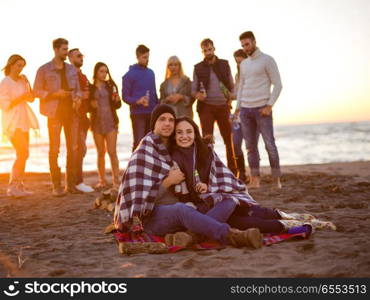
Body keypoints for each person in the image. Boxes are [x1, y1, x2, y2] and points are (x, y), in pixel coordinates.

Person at [114, 104, 263, 249]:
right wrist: (168, 182)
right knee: (181, 210)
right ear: (154, 124)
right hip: (153, 219)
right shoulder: (144, 152)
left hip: (185, 211)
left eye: (171, 120)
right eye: (162, 119)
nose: (167, 123)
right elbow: (141, 203)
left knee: (228, 200)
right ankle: (233, 236)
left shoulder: (171, 149)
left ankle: (190, 237)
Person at [171, 116, 312, 235]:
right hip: (206, 208)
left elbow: (222, 177)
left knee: (255, 212)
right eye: (179, 132)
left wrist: (208, 186)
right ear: (174, 135)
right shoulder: (174, 158)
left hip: (223, 197)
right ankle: (292, 227)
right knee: (242, 222)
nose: (184, 136)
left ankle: (293, 218)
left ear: (195, 133)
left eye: (189, 131)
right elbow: (183, 196)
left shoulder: (205, 151)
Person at [33, 38, 82, 197]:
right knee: (54, 149)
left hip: (72, 114)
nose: (66, 52)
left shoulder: (71, 69)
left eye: (67, 49)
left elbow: (78, 90)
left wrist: (77, 98)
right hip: (54, 114)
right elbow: (36, 91)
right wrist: (55, 94)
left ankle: (71, 185)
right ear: (55, 49)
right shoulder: (44, 70)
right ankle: (56, 186)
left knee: (72, 149)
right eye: (64, 49)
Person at [235, 31, 283, 189]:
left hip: (262, 109)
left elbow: (278, 84)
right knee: (250, 147)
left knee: (269, 144)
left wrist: (269, 105)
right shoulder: (244, 64)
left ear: (254, 42)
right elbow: (241, 86)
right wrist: (238, 108)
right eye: (242, 45)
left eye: (247, 44)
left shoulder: (267, 60)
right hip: (245, 110)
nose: (245, 48)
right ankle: (255, 179)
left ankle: (276, 179)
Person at [192, 38, 237, 175]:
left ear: (214, 48)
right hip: (206, 108)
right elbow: (193, 90)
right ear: (202, 51)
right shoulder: (198, 67)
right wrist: (199, 95)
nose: (208, 52)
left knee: (229, 141)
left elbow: (232, 85)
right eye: (205, 50)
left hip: (223, 106)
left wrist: (231, 97)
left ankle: (233, 172)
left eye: (209, 49)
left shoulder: (224, 64)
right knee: (207, 142)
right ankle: (208, 173)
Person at [0, 55, 39, 198]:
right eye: (18, 65)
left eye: (22, 65)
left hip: (23, 121)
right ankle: (12, 187)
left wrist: (28, 84)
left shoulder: (22, 81)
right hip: (12, 122)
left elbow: (31, 98)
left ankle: (19, 186)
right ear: (11, 65)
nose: (21, 68)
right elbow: (4, 105)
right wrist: (21, 98)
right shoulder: (5, 82)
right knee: (22, 153)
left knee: (24, 154)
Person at [88, 62, 121, 190]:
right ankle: (102, 180)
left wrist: (117, 100)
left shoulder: (111, 86)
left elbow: (118, 105)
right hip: (96, 123)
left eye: (106, 72)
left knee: (112, 152)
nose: (104, 74)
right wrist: (91, 105)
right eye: (101, 71)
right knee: (100, 152)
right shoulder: (90, 88)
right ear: (96, 72)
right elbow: (87, 107)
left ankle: (116, 181)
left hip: (111, 121)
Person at [122, 44, 159, 152]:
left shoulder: (151, 73)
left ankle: (151, 167)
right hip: (137, 114)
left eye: (148, 57)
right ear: (137, 57)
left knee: (152, 143)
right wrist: (138, 100)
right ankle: (135, 167)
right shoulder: (129, 75)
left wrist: (158, 108)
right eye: (144, 57)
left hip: (152, 113)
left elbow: (154, 94)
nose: (147, 60)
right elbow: (125, 97)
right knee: (139, 142)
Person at [67, 48, 94, 193]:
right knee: (76, 149)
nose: (81, 58)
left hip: (83, 116)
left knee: (81, 149)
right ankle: (76, 182)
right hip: (74, 116)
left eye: (82, 56)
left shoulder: (82, 75)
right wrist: (80, 95)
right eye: (78, 56)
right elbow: (69, 93)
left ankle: (76, 182)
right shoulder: (69, 74)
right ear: (70, 58)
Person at [231, 49, 248, 182]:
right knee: (236, 144)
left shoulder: (253, 76)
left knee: (250, 146)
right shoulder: (237, 76)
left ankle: (254, 174)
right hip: (237, 116)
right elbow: (236, 94)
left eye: (241, 62)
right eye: (237, 63)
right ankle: (241, 172)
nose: (239, 65)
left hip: (249, 114)